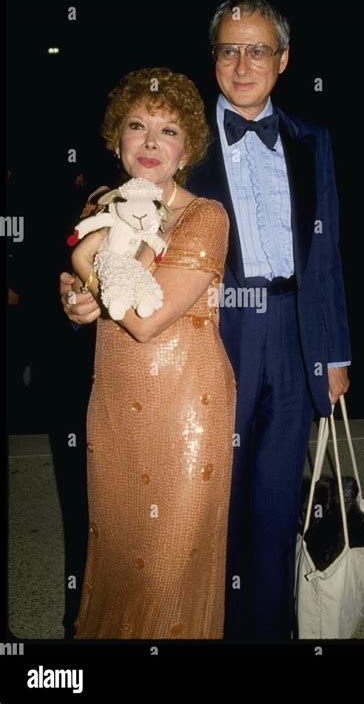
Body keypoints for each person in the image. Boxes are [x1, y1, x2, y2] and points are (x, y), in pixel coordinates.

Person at [61, 0, 351, 641]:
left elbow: (325, 254)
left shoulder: (312, 140)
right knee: (198, 520)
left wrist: (334, 355)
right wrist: (77, 297)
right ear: (214, 57)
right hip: (210, 339)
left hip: (294, 332)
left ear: (283, 60)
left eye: (257, 50)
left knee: (276, 512)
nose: (243, 63)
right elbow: (120, 248)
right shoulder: (181, 144)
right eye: (229, 49)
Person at [68, 67, 236, 639]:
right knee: (117, 557)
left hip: (187, 411)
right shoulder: (101, 203)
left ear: (186, 147)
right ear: (117, 139)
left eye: (167, 130)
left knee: (168, 573)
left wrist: (84, 268)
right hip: (114, 405)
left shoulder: (205, 217)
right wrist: (71, 297)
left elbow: (144, 320)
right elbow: (78, 286)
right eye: (137, 126)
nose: (150, 141)